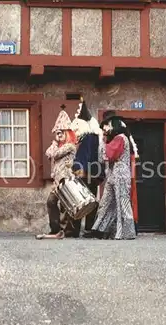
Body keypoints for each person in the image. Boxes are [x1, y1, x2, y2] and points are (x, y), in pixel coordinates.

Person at [90, 115, 137, 240]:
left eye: (108, 125)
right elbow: (102, 158)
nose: (106, 128)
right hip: (112, 174)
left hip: (120, 173)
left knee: (122, 203)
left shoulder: (120, 138)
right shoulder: (114, 139)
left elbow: (109, 156)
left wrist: (102, 140)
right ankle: (101, 229)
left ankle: (126, 232)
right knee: (106, 201)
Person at [36, 109, 79, 240]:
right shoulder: (57, 145)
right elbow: (48, 153)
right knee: (51, 202)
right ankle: (55, 229)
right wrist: (55, 142)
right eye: (57, 133)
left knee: (68, 205)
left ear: (66, 133)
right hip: (57, 181)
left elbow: (55, 154)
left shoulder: (70, 146)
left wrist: (56, 144)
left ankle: (70, 231)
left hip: (67, 179)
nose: (58, 135)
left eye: (61, 133)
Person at [70, 99, 105, 237]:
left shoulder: (89, 138)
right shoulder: (92, 137)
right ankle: (87, 228)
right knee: (88, 200)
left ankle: (78, 230)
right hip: (91, 173)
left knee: (82, 200)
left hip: (87, 174)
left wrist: (76, 169)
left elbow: (85, 156)